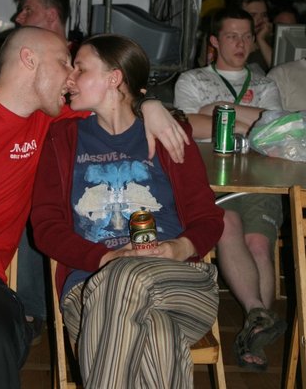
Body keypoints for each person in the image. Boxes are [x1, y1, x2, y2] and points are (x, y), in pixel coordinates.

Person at [0, 26, 188, 389]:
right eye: (65, 63)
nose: (72, 77)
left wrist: (150, 104)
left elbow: (114, 102)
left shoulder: (52, 126)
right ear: (29, 59)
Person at [30, 34, 224, 389]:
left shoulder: (168, 134)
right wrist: (107, 258)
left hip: (177, 281)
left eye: (81, 68)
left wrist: (180, 247)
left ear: (114, 77)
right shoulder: (62, 138)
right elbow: (45, 228)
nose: (70, 78)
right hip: (88, 288)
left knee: (127, 277)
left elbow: (209, 219)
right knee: (160, 337)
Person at [174, 6, 286, 372]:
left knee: (259, 243)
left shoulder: (265, 85)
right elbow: (189, 125)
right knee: (228, 226)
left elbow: (274, 129)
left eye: (246, 37)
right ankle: (258, 316)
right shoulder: (192, 80)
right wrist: (248, 119)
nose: (240, 44)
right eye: (231, 36)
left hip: (260, 177)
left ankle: (255, 326)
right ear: (214, 41)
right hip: (209, 179)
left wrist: (222, 109)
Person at [13, 0, 73, 344]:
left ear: (51, 16)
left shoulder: (86, 57)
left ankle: (34, 309)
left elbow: (125, 96)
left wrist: (150, 106)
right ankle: (26, 308)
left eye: (27, 10)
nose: (18, 17)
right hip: (32, 157)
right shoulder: (24, 60)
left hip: (78, 162)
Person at [230, 0, 273, 72]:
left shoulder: (272, 39)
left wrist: (261, 40)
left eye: (264, 15)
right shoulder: (226, 38)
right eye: (253, 15)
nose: (260, 20)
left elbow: (281, 72)